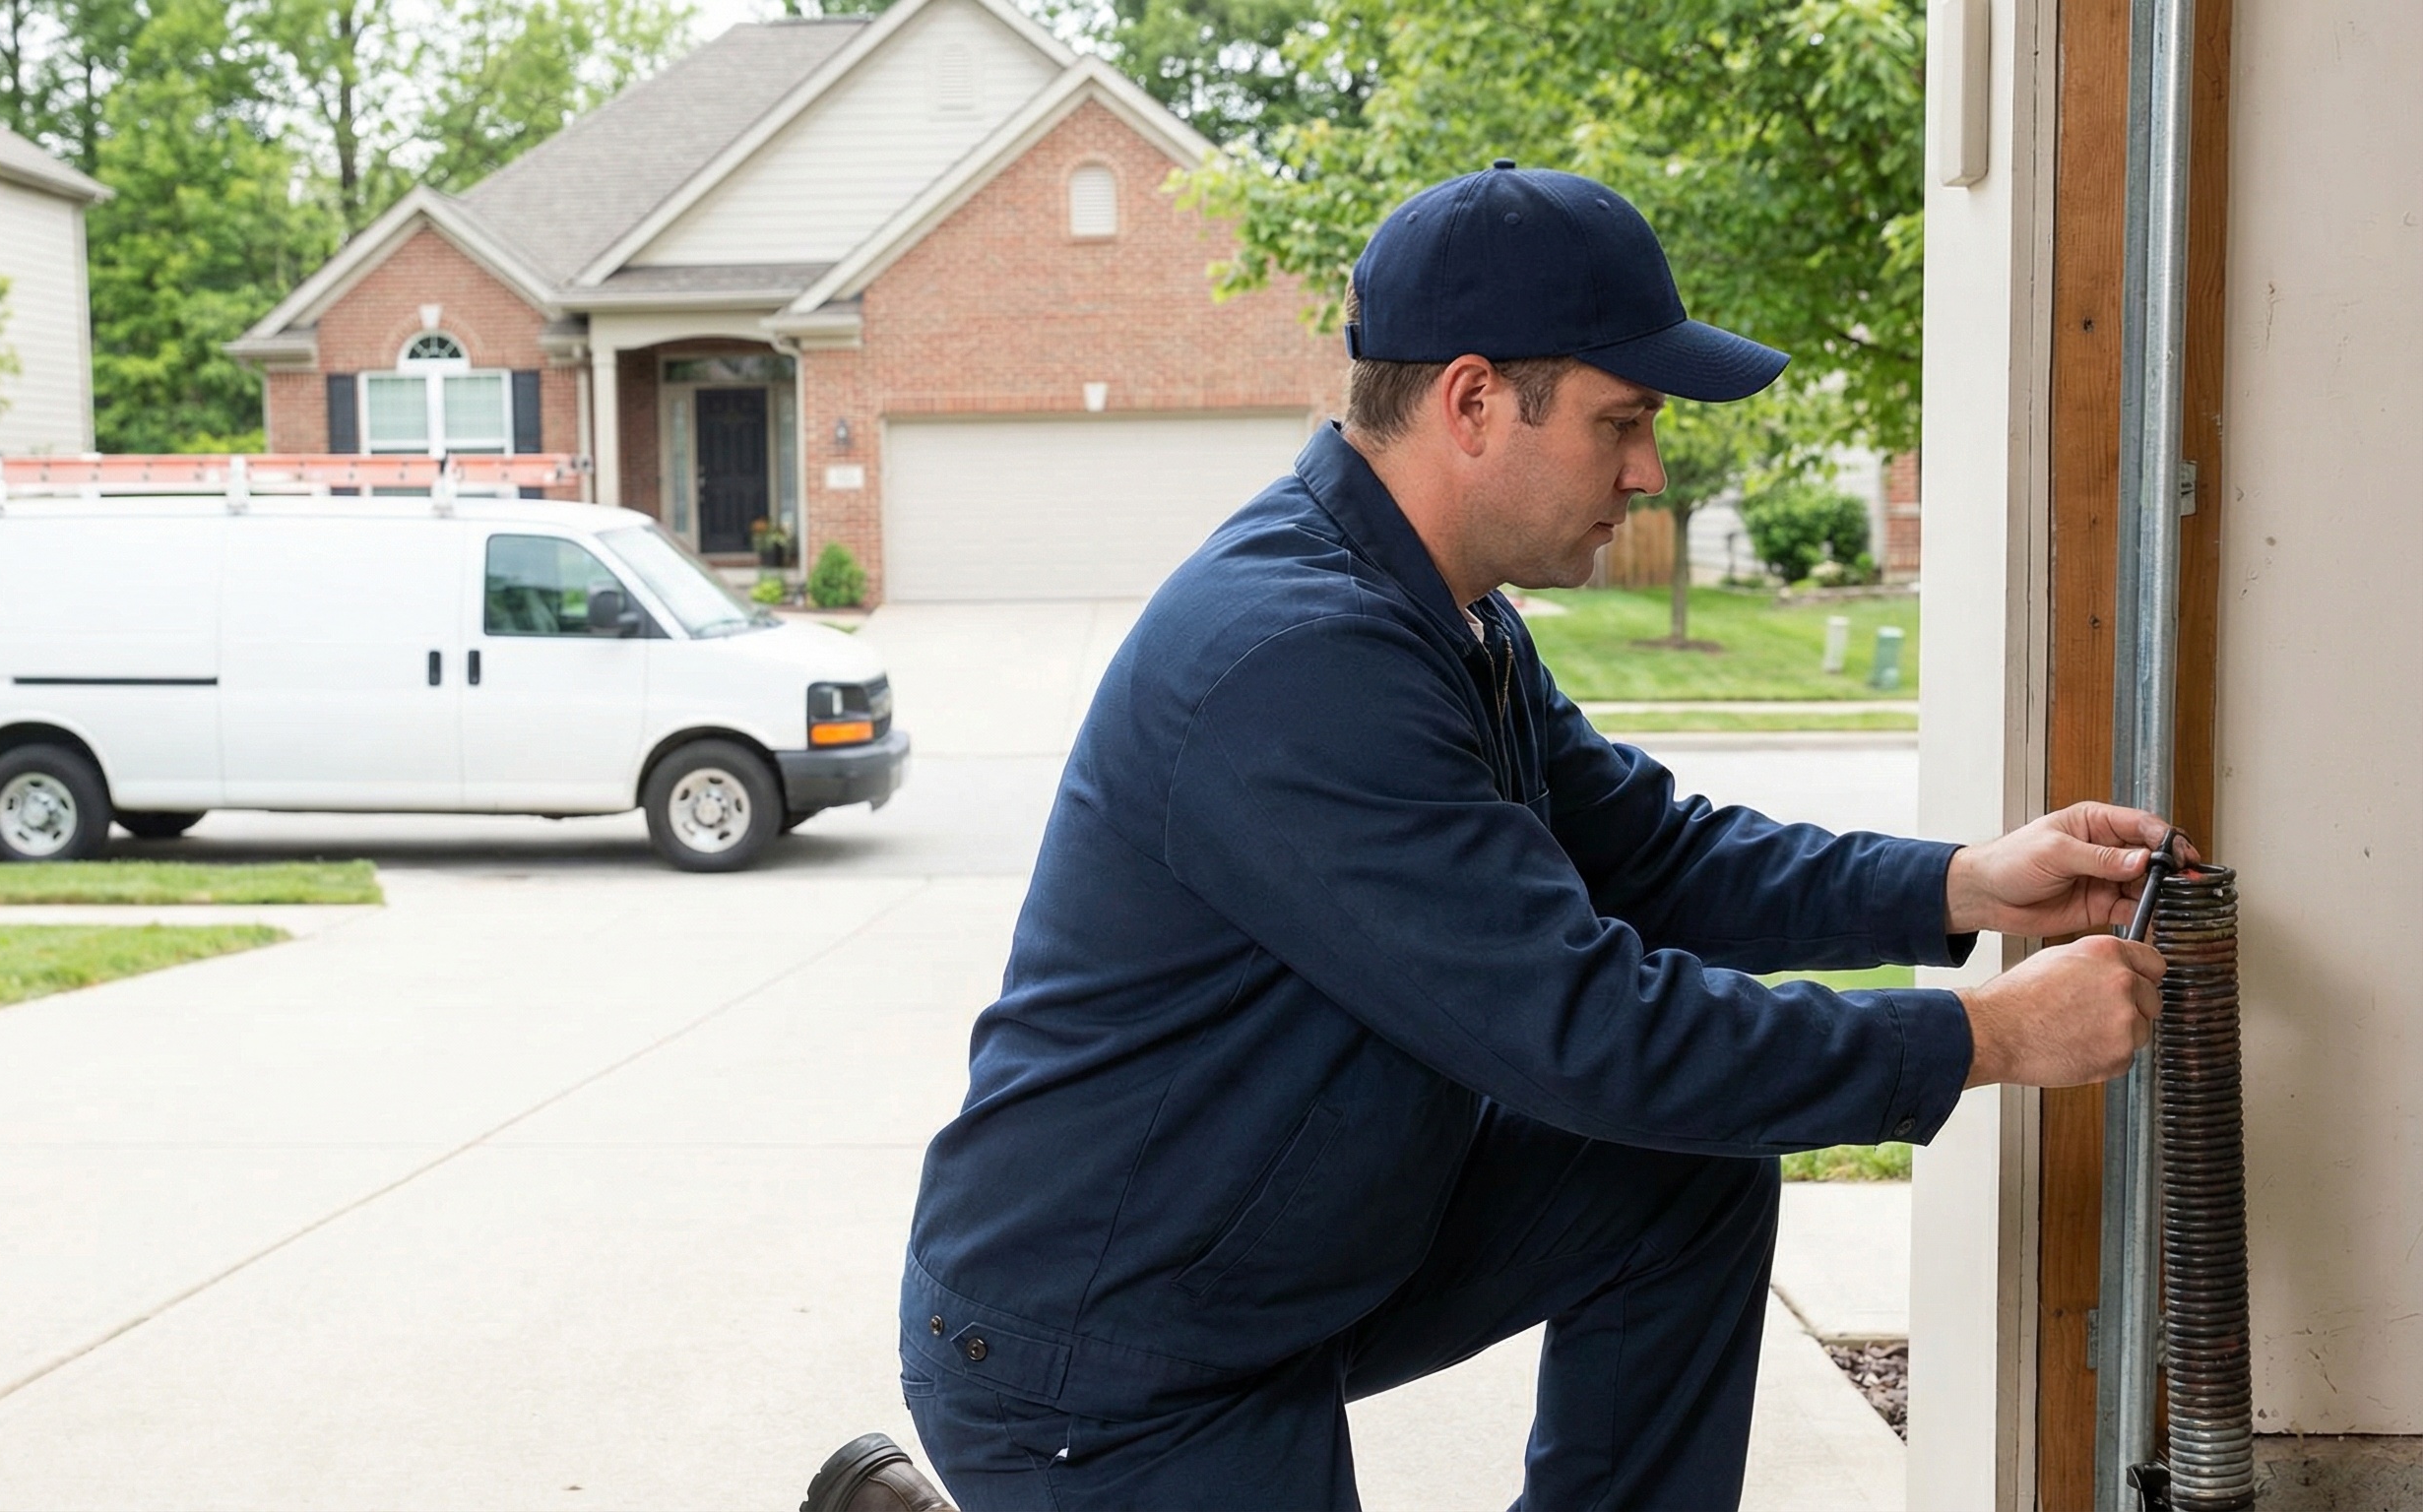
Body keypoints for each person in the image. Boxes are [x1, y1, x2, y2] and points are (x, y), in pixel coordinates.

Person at [840, 165, 2174, 1512]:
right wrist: (1988, 1038)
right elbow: (1589, 1034)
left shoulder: (1446, 617)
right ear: (1474, 401)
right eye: (1624, 421)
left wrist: (1965, 886)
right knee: (1656, 1097)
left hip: (1286, 1256)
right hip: (1105, 1357)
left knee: (1683, 1170)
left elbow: (1653, 858)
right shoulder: (1299, 661)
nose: (1649, 473)